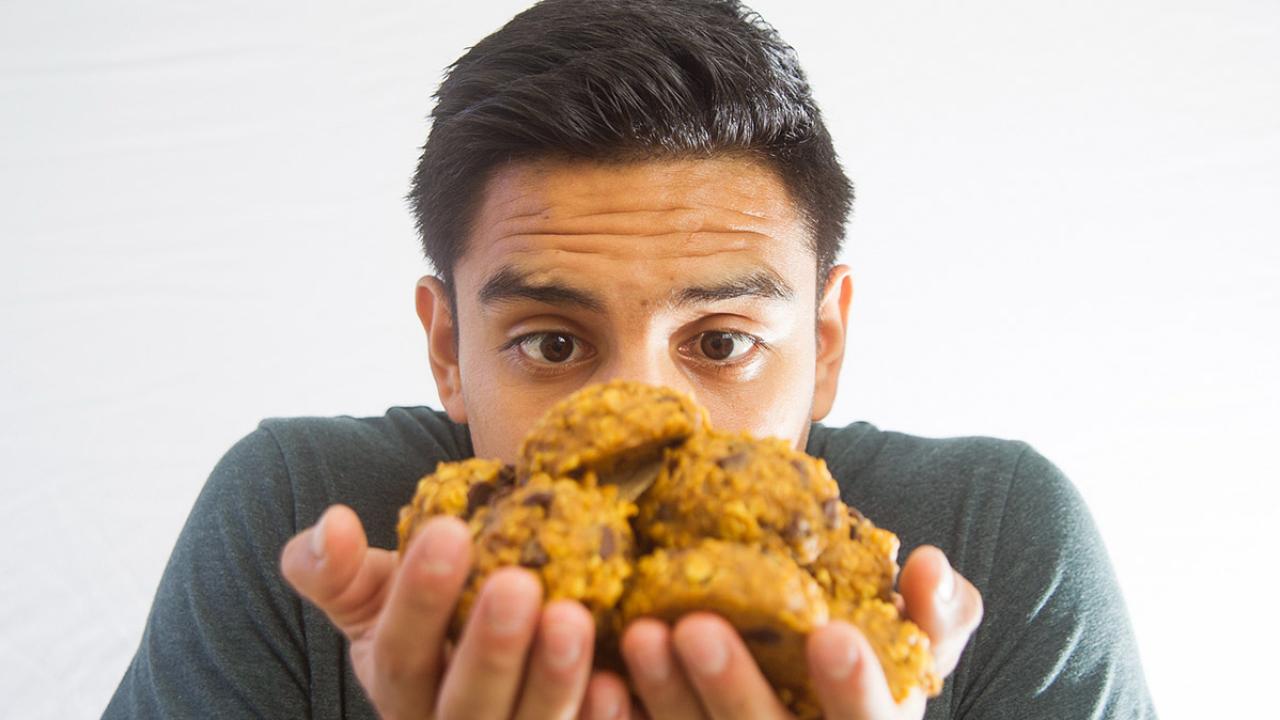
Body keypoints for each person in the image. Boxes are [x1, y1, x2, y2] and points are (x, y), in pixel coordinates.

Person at [104, 1, 1156, 718]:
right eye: (553, 343)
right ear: (447, 348)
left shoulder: (993, 535)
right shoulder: (299, 514)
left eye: (722, 343)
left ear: (824, 344)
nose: (647, 410)